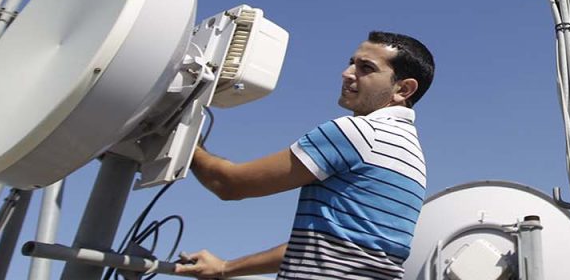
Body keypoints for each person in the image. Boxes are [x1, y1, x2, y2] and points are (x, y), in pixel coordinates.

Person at [175, 31, 434, 280]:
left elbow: (230, 184)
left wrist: (185, 137)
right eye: (351, 63)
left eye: (366, 68)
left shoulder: (356, 132)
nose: (346, 73)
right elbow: (331, 245)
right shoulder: (412, 157)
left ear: (403, 89)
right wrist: (225, 268)